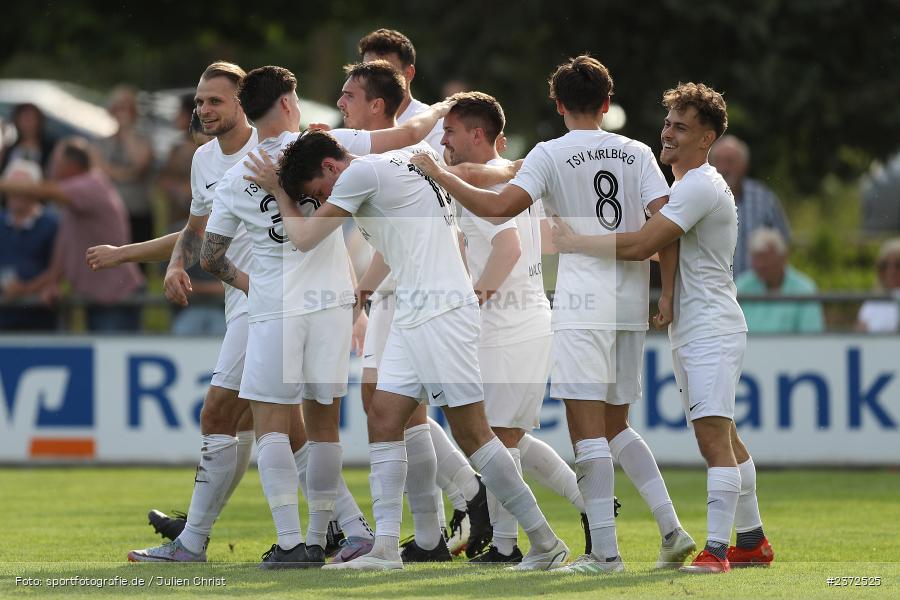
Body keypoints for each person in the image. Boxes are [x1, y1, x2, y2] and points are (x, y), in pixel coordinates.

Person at [411, 55, 692, 575]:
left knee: (587, 432)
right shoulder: (636, 152)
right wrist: (667, 295)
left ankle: (604, 554)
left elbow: (498, 209)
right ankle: (671, 528)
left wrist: (437, 174)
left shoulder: (550, 152)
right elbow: (665, 227)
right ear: (607, 104)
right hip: (630, 303)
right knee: (616, 428)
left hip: (581, 304)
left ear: (558, 104)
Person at [84, 62, 372, 565]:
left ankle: (200, 540)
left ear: (245, 104)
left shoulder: (290, 152)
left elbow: (211, 249)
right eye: (199, 102)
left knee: (240, 416)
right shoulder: (216, 161)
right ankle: (346, 529)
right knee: (306, 424)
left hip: (263, 307)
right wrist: (170, 262)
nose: (204, 110)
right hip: (310, 302)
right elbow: (195, 234)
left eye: (214, 101)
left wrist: (240, 280)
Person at [244, 129, 569, 572]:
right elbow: (446, 197)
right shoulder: (402, 159)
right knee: (382, 415)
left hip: (440, 313)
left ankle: (545, 541)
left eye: (316, 192)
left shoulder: (359, 176)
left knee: (473, 435)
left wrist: (279, 192)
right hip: (416, 310)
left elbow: (304, 239)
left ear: (330, 168)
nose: (319, 201)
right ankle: (384, 549)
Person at [200, 65, 455, 569]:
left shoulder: (235, 176)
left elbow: (209, 255)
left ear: (246, 113)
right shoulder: (328, 144)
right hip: (334, 302)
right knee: (323, 426)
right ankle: (321, 535)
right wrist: (446, 107)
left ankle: (292, 542)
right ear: (290, 103)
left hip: (275, 305)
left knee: (272, 425)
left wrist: (251, 284)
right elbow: (407, 133)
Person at [550, 82, 773, 573]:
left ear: (707, 138)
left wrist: (576, 240)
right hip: (698, 325)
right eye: (668, 122)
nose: (667, 133)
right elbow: (661, 246)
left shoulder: (698, 185)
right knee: (725, 434)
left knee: (712, 437)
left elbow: (644, 243)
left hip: (710, 326)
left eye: (681, 127)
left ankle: (716, 552)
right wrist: (669, 296)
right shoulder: (689, 184)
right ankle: (752, 540)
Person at [442, 91, 592, 564]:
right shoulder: (519, 182)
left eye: (450, 131)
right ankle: (589, 503)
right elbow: (537, 240)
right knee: (509, 438)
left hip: (508, 325)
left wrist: (472, 300)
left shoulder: (480, 191)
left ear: (477, 134)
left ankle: (510, 545)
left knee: (498, 440)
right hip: (525, 319)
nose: (443, 140)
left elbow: (506, 246)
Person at [357, 28, 487, 555]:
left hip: (427, 280)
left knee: (409, 409)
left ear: (407, 74)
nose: (370, 75)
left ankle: (462, 499)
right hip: (389, 276)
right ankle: (439, 523)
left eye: (382, 66)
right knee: (383, 403)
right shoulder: (364, 133)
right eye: (364, 66)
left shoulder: (435, 125)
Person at [0, 137, 145, 331]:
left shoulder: (91, 185)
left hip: (115, 300)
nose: (49, 169)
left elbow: (43, 190)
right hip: (98, 299)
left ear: (70, 166)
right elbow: (57, 268)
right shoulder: (73, 204)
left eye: (54, 163)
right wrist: (26, 290)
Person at [709, 135, 791, 278]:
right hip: (711, 293)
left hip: (756, 294)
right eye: (718, 162)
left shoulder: (764, 199)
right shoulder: (700, 198)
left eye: (729, 161)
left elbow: (783, 243)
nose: (723, 168)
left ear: (743, 165)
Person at [93, 85, 156, 244]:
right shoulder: (102, 143)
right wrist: (128, 174)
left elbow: (140, 164)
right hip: (108, 212)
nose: (123, 112)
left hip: (137, 212)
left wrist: (127, 131)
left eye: (127, 107)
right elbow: (99, 172)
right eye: (119, 107)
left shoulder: (144, 141)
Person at [0, 159, 58, 330]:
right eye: (14, 189)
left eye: (23, 189)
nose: (18, 195)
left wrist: (25, 289)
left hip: (39, 318)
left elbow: (58, 269)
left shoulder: (52, 224)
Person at [735, 228, 824, 333]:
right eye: (756, 259)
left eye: (766, 259)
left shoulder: (805, 290)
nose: (760, 265)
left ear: (783, 258)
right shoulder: (741, 286)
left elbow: (812, 336)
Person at [856, 238, 900, 332]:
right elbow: (859, 334)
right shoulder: (872, 302)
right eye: (885, 265)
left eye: (897, 265)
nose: (891, 271)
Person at [0, 103, 57, 175]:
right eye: (24, 118)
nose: (27, 123)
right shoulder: (9, 149)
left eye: (31, 118)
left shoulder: (50, 148)